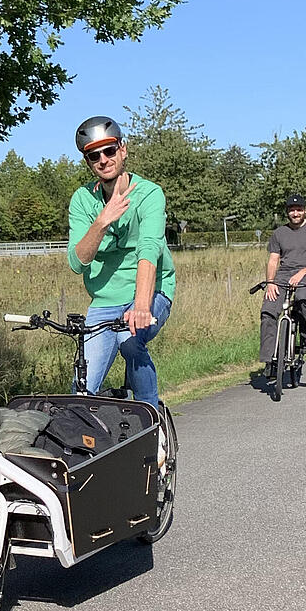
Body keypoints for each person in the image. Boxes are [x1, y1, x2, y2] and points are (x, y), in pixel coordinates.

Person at [66, 115, 176, 408]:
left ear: (122, 149)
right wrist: (101, 221)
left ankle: (150, 421)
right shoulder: (82, 199)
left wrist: (141, 306)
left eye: (109, 150)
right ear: (88, 162)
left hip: (151, 292)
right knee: (82, 387)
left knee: (130, 340)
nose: (103, 159)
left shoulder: (149, 194)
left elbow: (149, 251)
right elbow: (78, 263)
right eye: (93, 155)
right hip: (104, 301)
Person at [260, 193, 306, 378]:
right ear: (287, 212)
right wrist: (270, 283)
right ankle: (270, 360)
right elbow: (273, 260)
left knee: (302, 298)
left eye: (299, 210)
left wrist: (303, 272)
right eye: (292, 210)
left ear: (305, 210)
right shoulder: (279, 233)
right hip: (283, 276)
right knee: (268, 311)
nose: (295, 213)